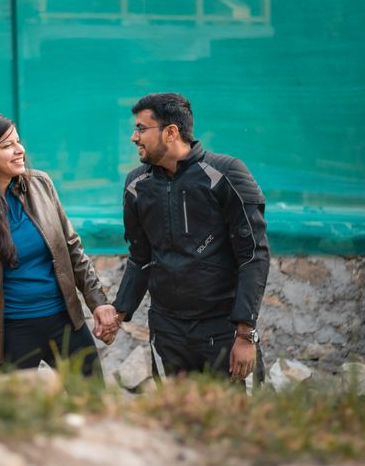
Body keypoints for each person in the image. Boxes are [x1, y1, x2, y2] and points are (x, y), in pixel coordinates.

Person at [95, 93, 269, 384]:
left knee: (239, 422)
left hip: (222, 330)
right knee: (176, 421)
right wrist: (120, 311)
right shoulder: (137, 185)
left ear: (171, 132)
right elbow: (141, 258)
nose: (133, 137)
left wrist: (245, 335)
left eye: (141, 128)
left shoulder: (226, 174)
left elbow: (254, 256)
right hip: (167, 332)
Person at [0, 114, 117, 386]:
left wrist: (98, 301)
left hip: (66, 322)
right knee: (20, 420)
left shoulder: (41, 185)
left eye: (18, 142)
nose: (20, 150)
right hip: (10, 334)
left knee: (94, 403)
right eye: (7, 145)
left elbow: (71, 248)